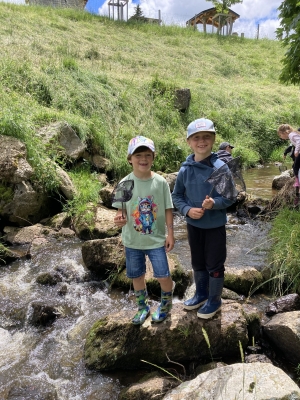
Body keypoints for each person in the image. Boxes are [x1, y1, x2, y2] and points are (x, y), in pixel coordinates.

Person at [172, 118, 235, 319]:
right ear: (189, 142)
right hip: (193, 225)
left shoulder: (219, 168)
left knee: (214, 264)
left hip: (215, 226)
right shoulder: (186, 169)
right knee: (198, 262)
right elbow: (177, 196)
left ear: (213, 139)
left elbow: (228, 198)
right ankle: (200, 294)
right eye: (196, 138)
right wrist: (188, 210)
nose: (202, 141)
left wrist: (213, 204)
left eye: (206, 137)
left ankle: (215, 300)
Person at [112, 135, 175, 325]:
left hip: (156, 240)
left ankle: (165, 306)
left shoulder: (160, 182)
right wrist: (119, 220)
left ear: (153, 158)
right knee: (137, 276)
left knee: (163, 275)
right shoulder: (124, 184)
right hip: (132, 241)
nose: (143, 159)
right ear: (130, 159)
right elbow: (120, 213)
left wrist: (170, 233)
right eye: (138, 155)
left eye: (148, 155)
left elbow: (168, 209)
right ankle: (143, 307)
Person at [278, 124, 300, 205]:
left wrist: (296, 151)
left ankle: (297, 182)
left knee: (295, 167)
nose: (281, 137)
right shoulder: (294, 133)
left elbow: (299, 141)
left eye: (280, 135)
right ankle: (297, 182)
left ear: (284, 132)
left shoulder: (291, 134)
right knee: (295, 167)